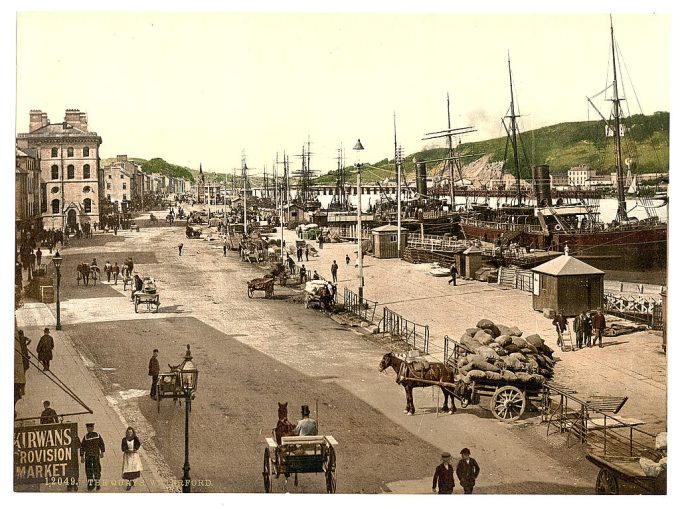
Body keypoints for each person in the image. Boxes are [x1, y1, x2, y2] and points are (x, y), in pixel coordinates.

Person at [80, 423, 105, 491]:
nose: (90, 429)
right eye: (88, 428)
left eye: (91, 428)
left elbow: (101, 444)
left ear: (93, 428)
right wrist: (82, 456)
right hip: (88, 456)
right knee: (89, 470)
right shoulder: (85, 437)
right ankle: (90, 484)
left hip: (96, 456)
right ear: (87, 429)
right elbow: (82, 447)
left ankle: (97, 483)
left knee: (97, 469)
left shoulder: (97, 435)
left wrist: (102, 452)